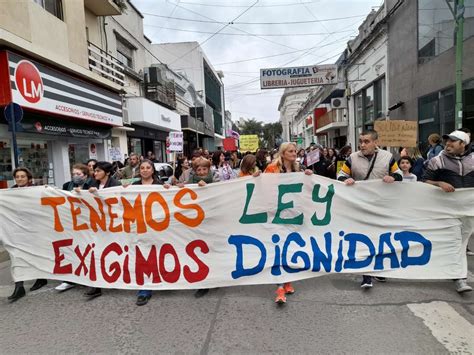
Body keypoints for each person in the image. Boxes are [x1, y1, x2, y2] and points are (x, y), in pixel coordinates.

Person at [337, 130, 403, 289]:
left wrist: (393, 177)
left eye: (366, 141)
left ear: (375, 142)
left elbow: (399, 173)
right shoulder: (352, 158)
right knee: (364, 239)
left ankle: (379, 269)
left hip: (381, 206)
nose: (362, 145)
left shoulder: (387, 157)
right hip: (360, 205)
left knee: (380, 238)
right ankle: (366, 274)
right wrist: (347, 179)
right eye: (361, 141)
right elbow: (340, 175)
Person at [423, 130, 474, 293]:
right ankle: (460, 277)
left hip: (468, 211)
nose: (448, 144)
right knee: (455, 241)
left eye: (453, 141)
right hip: (445, 211)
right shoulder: (436, 161)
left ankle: (454, 272)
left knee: (461, 242)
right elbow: (423, 181)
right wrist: (439, 183)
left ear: (463, 144)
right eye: (447, 141)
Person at [264, 142, 313, 304]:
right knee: (279, 247)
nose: (294, 153)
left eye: (295, 151)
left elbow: (304, 188)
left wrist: (308, 175)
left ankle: (288, 280)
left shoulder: (298, 169)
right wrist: (257, 177)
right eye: (291, 151)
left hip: (294, 213)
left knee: (290, 247)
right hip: (276, 213)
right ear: (283, 153)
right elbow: (263, 187)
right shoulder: (272, 168)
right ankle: (279, 287)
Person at [130, 160, 169, 305]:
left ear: (153, 170)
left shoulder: (160, 186)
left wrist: (169, 189)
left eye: (148, 168)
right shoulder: (133, 187)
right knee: (143, 256)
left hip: (158, 227)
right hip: (140, 226)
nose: (145, 170)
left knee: (159, 254)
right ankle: (144, 290)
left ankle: (166, 279)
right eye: (142, 168)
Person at [7, 168, 48, 302]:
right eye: (17, 177)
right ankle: (19, 286)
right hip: (16, 230)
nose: (19, 179)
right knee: (16, 256)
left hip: (33, 229)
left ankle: (41, 278)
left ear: (28, 178)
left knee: (35, 254)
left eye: (22, 176)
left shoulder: (36, 191)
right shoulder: (9, 193)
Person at [181, 157, 219, 298]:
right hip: (196, 223)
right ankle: (203, 282)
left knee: (212, 251)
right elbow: (180, 191)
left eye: (204, 169)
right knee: (198, 251)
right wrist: (175, 187)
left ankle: (216, 278)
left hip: (212, 221)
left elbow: (223, 194)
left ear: (209, 169)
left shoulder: (217, 181)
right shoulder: (190, 182)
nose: (202, 172)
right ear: (194, 171)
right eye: (199, 169)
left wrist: (208, 188)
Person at [84, 161, 121, 299]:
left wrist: (99, 194)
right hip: (98, 225)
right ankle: (96, 285)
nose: (95, 173)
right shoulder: (92, 184)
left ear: (107, 172)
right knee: (97, 252)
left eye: (98, 171)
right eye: (95, 171)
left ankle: (116, 277)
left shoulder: (115, 185)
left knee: (114, 251)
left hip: (114, 224)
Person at [55, 164, 91, 293]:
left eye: (78, 174)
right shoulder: (67, 186)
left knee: (87, 249)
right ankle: (70, 279)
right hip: (71, 223)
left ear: (85, 175)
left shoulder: (90, 186)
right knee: (72, 249)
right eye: (74, 174)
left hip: (87, 223)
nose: (75, 176)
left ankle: (89, 277)